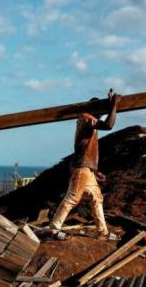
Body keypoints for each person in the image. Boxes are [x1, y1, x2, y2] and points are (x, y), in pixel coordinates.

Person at [50, 89, 121, 240]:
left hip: (86, 169)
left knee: (97, 197)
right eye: (100, 110)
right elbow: (109, 125)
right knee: (72, 197)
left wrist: (94, 171)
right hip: (81, 167)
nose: (101, 114)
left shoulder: (90, 122)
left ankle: (103, 232)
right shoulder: (85, 118)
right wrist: (114, 104)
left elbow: (104, 123)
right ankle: (53, 229)